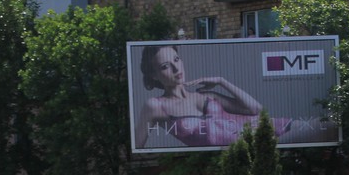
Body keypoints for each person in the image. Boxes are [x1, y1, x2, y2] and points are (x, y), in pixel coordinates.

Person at [135, 45, 322, 148]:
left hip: (271, 128)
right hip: (254, 147)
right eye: (165, 66)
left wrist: (221, 81)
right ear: (154, 75)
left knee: (329, 127)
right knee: (324, 129)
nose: (176, 68)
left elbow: (256, 110)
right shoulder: (155, 106)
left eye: (177, 59)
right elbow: (137, 145)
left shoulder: (206, 95)